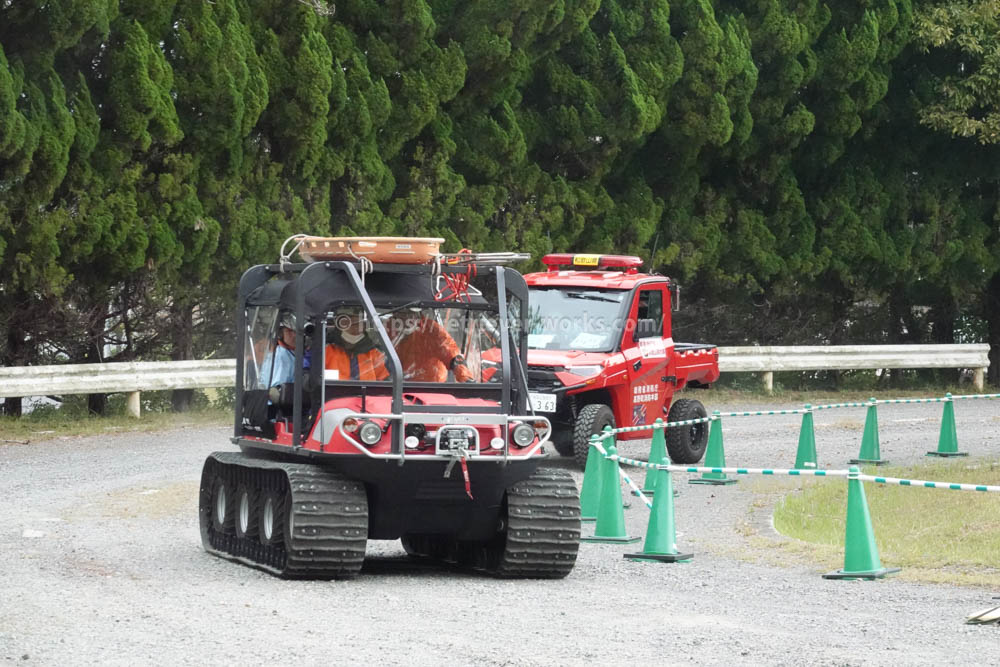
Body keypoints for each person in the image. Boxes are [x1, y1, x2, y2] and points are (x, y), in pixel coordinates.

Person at [392, 309, 475, 383]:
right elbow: (381, 356)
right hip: (396, 385)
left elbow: (452, 354)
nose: (406, 317)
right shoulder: (389, 327)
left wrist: (466, 378)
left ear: (418, 313)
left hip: (431, 387)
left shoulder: (432, 329)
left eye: (410, 313)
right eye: (401, 313)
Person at [325, 306, 390, 381]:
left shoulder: (374, 354)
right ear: (338, 326)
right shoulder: (325, 351)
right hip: (333, 392)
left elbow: (386, 383)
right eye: (347, 323)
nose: (354, 328)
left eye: (358, 323)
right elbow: (314, 380)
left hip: (367, 392)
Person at [259, 311, 297, 388]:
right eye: (289, 331)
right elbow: (278, 391)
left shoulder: (288, 353)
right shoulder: (281, 357)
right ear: (279, 334)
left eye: (295, 331)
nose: (294, 335)